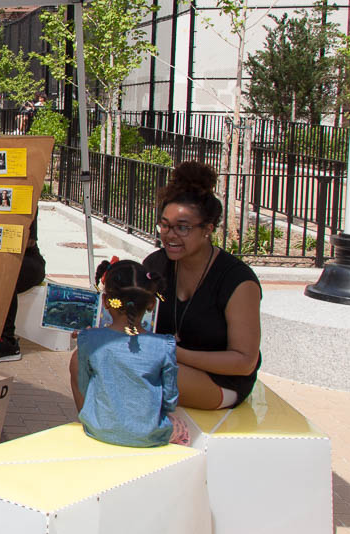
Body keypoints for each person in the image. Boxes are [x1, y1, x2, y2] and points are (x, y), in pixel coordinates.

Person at [144, 161, 262, 409]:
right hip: (166, 363)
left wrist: (172, 352)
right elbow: (136, 321)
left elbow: (244, 361)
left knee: (143, 369)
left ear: (208, 229)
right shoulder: (155, 264)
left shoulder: (238, 280)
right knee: (88, 358)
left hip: (220, 381)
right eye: (164, 225)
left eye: (182, 228)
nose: (170, 235)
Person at [67, 259, 191, 447]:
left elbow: (84, 386)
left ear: (106, 301)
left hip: (98, 429)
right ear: (151, 304)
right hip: (148, 435)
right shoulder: (164, 345)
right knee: (182, 428)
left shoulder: (89, 339)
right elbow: (170, 398)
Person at [0, 216, 45, 362]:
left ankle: (7, 342)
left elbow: (28, 242)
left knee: (4, 275)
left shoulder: (26, 203)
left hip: (27, 261)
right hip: (1, 260)